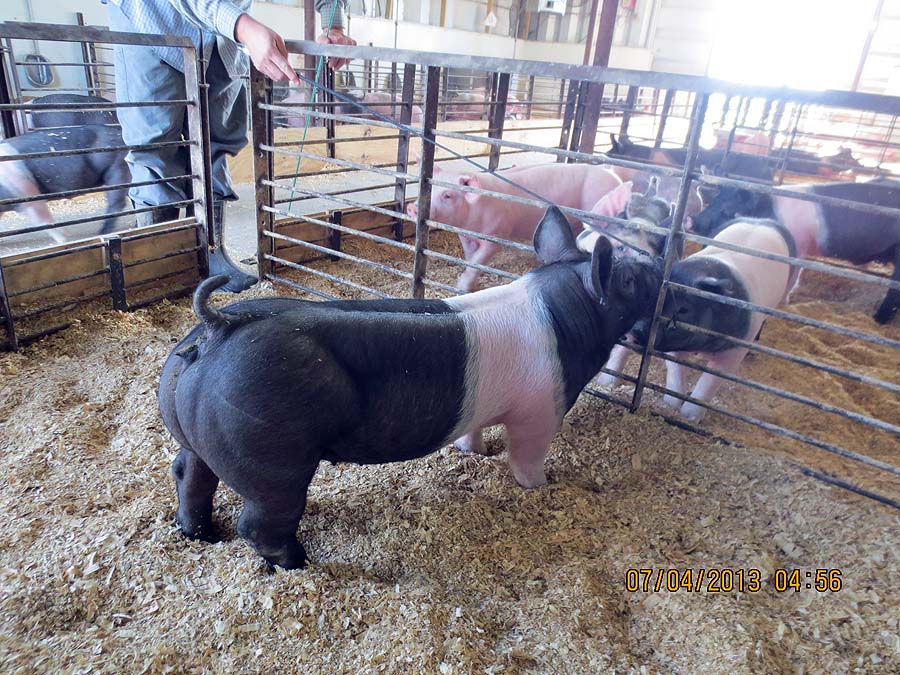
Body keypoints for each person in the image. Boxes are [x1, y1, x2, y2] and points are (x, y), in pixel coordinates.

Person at [105, 0, 354, 293]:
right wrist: (242, 26)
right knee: (155, 144)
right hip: (151, 17)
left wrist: (333, 23)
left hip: (222, 34)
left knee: (216, 141)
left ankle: (213, 256)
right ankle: (160, 265)